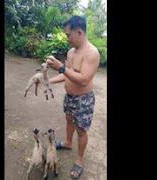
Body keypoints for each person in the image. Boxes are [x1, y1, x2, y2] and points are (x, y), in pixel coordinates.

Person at [46, 15, 100, 179]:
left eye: (68, 35)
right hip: (69, 97)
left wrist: (61, 67)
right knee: (68, 119)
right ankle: (68, 143)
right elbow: (67, 75)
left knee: (81, 130)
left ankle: (79, 160)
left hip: (83, 99)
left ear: (79, 32)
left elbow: (83, 80)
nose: (66, 38)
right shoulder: (70, 52)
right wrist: (48, 81)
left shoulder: (92, 53)